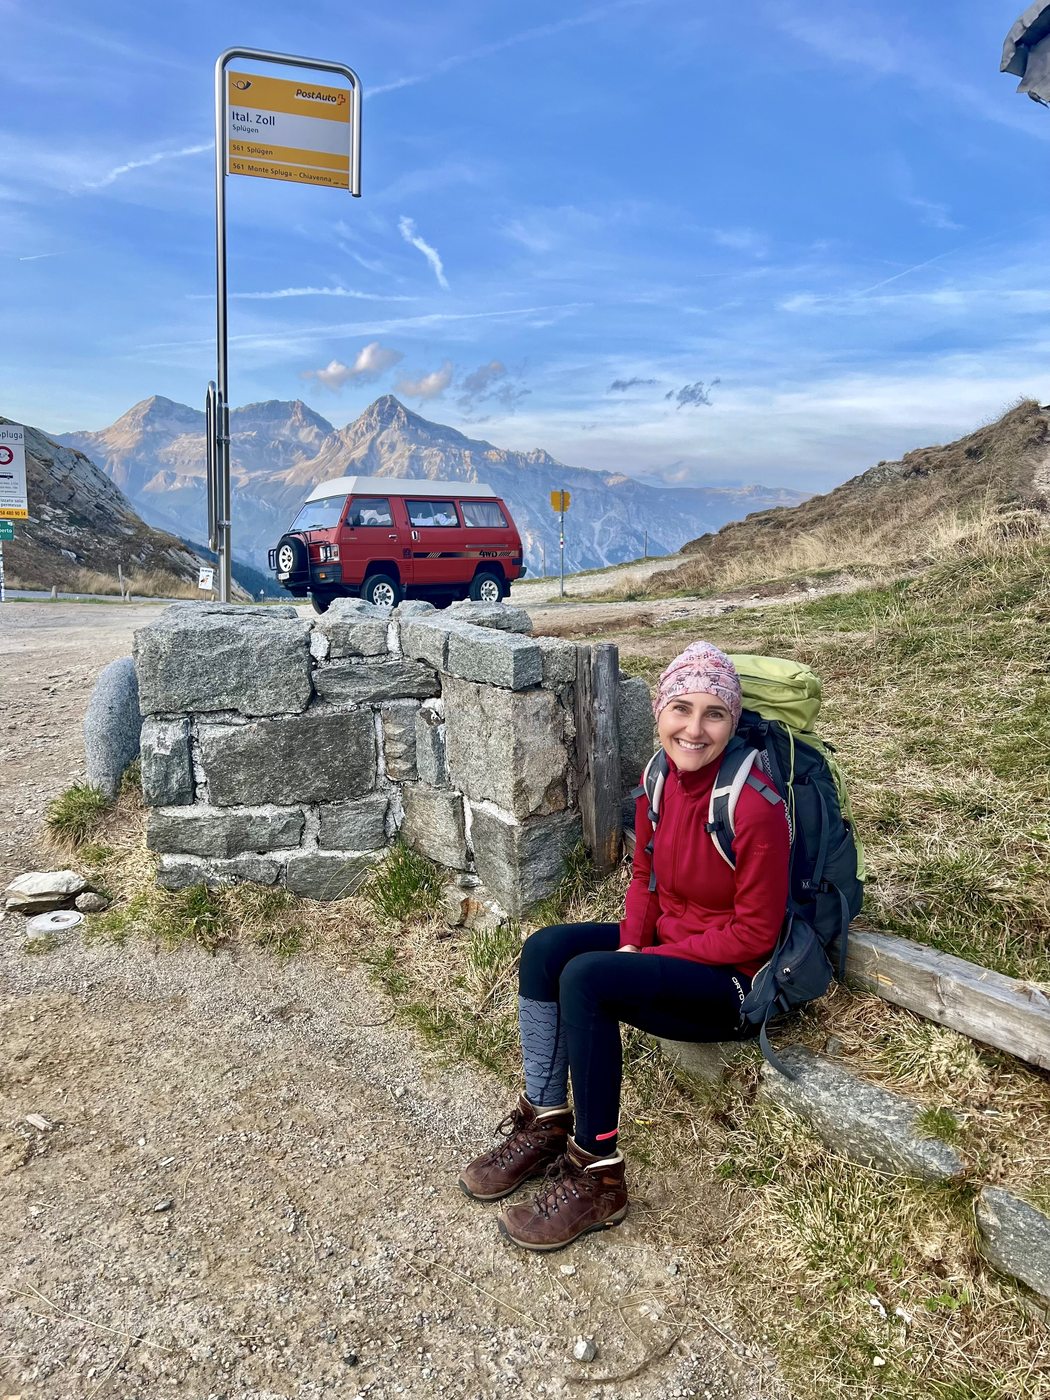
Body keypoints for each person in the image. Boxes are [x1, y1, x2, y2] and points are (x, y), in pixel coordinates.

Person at [458, 641, 790, 1251]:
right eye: (681, 708)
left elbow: (755, 935)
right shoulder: (658, 779)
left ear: (733, 722)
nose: (694, 728)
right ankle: (548, 1121)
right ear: (660, 711)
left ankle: (599, 1174)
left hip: (734, 984)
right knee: (546, 950)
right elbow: (644, 879)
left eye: (714, 713)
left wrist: (644, 960)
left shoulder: (753, 806)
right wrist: (635, 944)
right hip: (671, 948)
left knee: (588, 978)